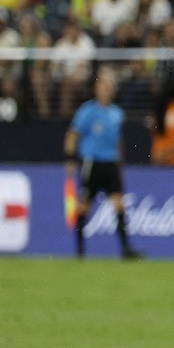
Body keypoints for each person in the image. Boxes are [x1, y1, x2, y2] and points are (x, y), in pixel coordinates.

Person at [64, 66, 141, 259]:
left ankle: (125, 250)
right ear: (96, 88)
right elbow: (73, 135)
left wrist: (120, 164)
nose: (107, 89)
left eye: (110, 85)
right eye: (104, 84)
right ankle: (80, 251)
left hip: (111, 164)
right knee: (84, 206)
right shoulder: (87, 111)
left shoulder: (116, 113)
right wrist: (71, 158)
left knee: (119, 205)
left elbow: (118, 141)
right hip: (92, 164)